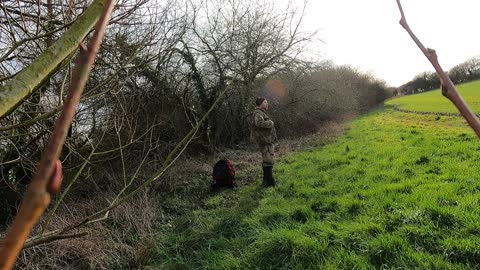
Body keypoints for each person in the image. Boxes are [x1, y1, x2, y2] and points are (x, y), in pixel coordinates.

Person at [251, 97, 276, 186]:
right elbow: (259, 123)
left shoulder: (262, 112)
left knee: (269, 160)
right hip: (262, 140)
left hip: (267, 140)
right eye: (265, 102)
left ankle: (266, 181)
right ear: (261, 104)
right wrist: (270, 123)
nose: (267, 103)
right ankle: (270, 182)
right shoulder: (258, 113)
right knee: (268, 160)